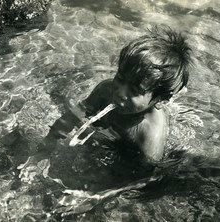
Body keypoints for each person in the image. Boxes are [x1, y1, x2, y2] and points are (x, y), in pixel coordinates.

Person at [39, 26, 192, 164]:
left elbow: (143, 173)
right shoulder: (105, 90)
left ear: (159, 100)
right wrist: (49, 142)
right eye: (119, 78)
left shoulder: (149, 135)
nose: (120, 92)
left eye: (134, 91)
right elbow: (76, 114)